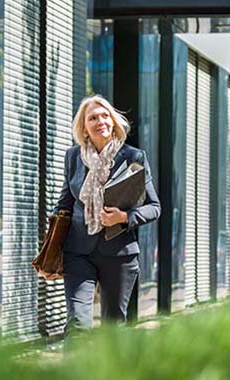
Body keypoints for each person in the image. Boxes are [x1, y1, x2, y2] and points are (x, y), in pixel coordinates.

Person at [48, 95, 160, 332]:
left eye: (105, 115)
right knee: (77, 323)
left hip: (119, 254)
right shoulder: (73, 158)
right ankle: (74, 369)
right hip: (78, 253)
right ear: (84, 128)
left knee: (112, 329)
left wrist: (124, 218)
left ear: (113, 121)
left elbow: (154, 207)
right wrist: (51, 252)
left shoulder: (133, 157)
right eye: (93, 118)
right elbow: (64, 206)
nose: (101, 121)